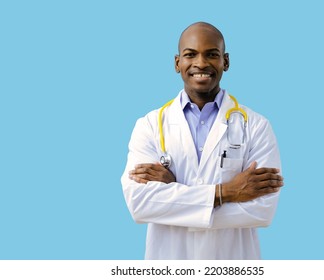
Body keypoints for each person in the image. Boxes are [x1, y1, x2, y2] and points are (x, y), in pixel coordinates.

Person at [121, 22, 284, 260]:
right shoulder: (148, 125)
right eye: (190, 54)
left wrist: (174, 197)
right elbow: (140, 204)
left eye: (212, 54)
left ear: (225, 62)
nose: (201, 63)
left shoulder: (257, 126)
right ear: (177, 63)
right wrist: (226, 192)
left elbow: (262, 210)